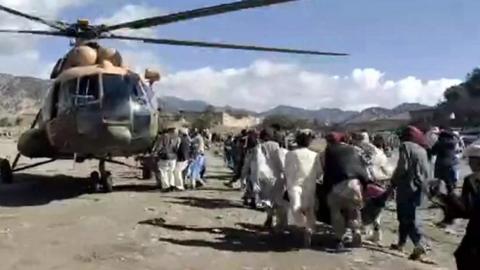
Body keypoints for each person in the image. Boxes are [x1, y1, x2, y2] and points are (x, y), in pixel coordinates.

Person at [323, 132, 372, 250]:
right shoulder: (354, 149)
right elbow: (362, 168)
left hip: (339, 186)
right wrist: (365, 185)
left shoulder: (329, 151)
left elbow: (326, 171)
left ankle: (339, 239)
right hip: (355, 184)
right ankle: (356, 232)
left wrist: (326, 188)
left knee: (335, 211)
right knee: (354, 210)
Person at [390, 126, 430, 261]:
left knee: (406, 218)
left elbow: (403, 167)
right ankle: (401, 243)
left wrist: (394, 180)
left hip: (407, 187)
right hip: (420, 189)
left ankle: (419, 245)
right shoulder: (422, 150)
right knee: (407, 217)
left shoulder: (406, 146)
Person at [284, 129, 323, 247]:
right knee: (309, 209)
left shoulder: (290, 154)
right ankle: (308, 229)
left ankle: (303, 226)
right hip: (310, 184)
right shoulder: (315, 155)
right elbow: (319, 172)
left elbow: (286, 169)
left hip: (295, 184)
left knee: (296, 207)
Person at [256, 128, 287, 230]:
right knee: (278, 200)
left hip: (264, 176)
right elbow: (280, 161)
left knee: (268, 199)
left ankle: (269, 218)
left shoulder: (259, 146)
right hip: (277, 176)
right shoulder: (276, 146)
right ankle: (280, 224)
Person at [431, 130, 460, 195]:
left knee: (438, 181)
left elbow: (433, 152)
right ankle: (451, 194)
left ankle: (437, 194)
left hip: (440, 164)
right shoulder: (453, 142)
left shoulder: (439, 143)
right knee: (449, 182)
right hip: (452, 164)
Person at [154, 128, 180, 192]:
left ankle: (166, 187)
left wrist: (155, 152)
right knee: (171, 172)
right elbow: (177, 148)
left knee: (163, 172)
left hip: (164, 156)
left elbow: (159, 146)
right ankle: (172, 185)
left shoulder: (162, 137)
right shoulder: (176, 138)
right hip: (173, 157)